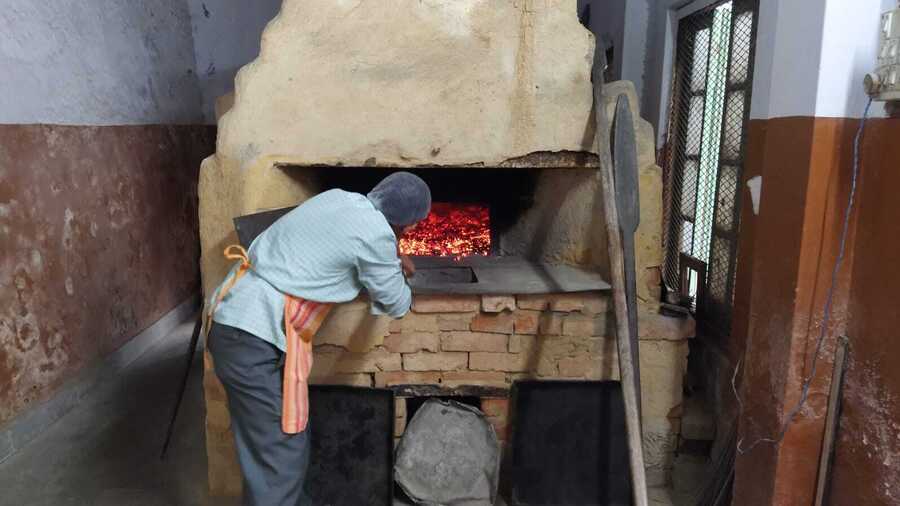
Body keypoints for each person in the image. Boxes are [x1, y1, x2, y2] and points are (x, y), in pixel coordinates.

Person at [206, 172, 431, 506]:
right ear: (411, 226)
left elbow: (336, 243)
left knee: (284, 441)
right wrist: (397, 269)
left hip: (238, 320)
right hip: (249, 337)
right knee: (280, 454)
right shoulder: (375, 237)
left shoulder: (340, 197)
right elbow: (395, 303)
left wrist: (390, 259)